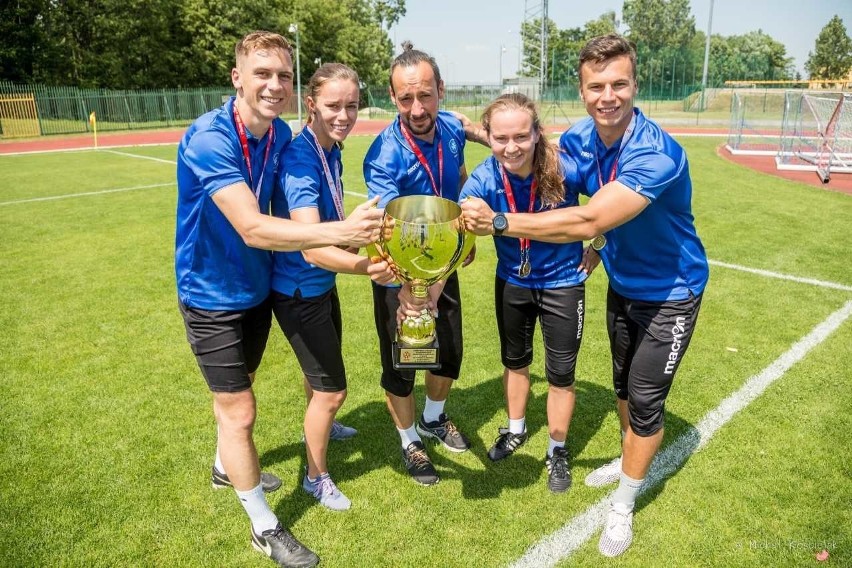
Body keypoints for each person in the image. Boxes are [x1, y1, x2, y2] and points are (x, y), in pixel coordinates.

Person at [461, 34, 708, 557]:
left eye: (619, 84)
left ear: (634, 86)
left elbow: (590, 217)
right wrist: (467, 132)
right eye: (596, 86)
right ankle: (626, 458)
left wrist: (501, 221)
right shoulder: (578, 139)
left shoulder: (655, 152)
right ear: (582, 90)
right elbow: (524, 150)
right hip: (623, 283)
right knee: (622, 384)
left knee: (643, 397)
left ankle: (622, 505)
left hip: (673, 290)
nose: (608, 96)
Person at [176, 31, 382, 568]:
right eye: (262, 73)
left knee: (238, 399)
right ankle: (265, 527)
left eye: (283, 75)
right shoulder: (209, 137)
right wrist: (346, 237)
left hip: (257, 289)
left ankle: (227, 467)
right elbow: (251, 227)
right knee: (240, 409)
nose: (274, 84)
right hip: (210, 294)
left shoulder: (278, 138)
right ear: (237, 77)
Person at [459, 93, 600, 493]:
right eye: (501, 138)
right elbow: (460, 217)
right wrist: (463, 236)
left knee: (560, 375)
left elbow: (611, 207)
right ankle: (516, 429)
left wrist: (599, 246)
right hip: (513, 282)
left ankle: (557, 449)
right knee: (515, 362)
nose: (512, 147)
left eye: (521, 136)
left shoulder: (566, 167)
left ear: (537, 133)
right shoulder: (486, 176)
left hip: (563, 285)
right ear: (489, 136)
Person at [270, 63, 396, 512]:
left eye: (352, 105)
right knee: (331, 391)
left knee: (317, 379)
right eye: (333, 106)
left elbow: (332, 230)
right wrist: (370, 267)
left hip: (319, 287)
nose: (344, 115)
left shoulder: (331, 147)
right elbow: (311, 247)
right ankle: (315, 478)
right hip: (301, 290)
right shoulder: (302, 158)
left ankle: (324, 428)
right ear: (311, 104)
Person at [362, 42, 472, 486]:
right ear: (393, 98)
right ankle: (409, 438)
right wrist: (409, 289)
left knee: (448, 353)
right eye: (406, 98)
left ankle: (434, 417)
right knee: (405, 357)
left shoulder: (452, 129)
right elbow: (390, 227)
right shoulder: (384, 152)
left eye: (425, 95)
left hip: (444, 263)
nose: (417, 107)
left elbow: (461, 173)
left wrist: (462, 231)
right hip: (398, 268)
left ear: (440, 90)